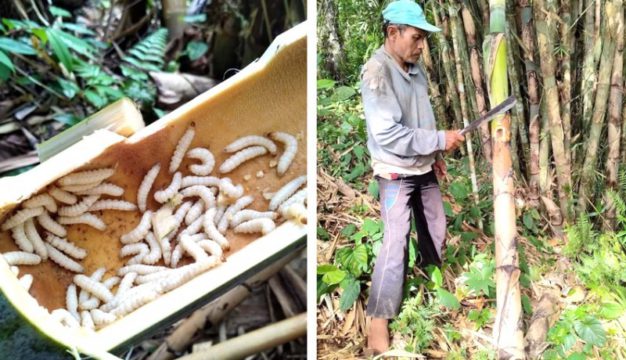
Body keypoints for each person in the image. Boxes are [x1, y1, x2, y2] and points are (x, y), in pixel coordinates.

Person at [360, 0, 465, 354]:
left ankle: (429, 275)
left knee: (435, 224)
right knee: (395, 239)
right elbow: (388, 134)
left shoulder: (415, 70)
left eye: (423, 39)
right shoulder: (377, 73)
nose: (421, 46)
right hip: (395, 171)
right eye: (416, 38)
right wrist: (438, 140)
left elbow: (423, 118)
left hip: (422, 165)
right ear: (393, 33)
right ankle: (379, 319)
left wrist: (434, 154)